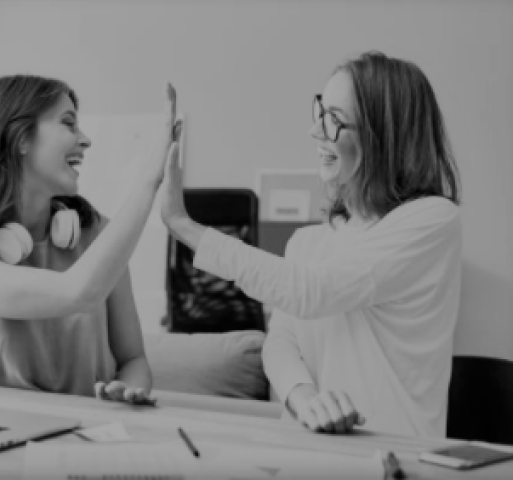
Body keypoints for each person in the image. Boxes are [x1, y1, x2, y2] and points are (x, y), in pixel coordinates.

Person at [160, 51, 461, 437]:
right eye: (320, 112)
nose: (315, 132)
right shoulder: (309, 242)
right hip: (313, 446)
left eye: (334, 120)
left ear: (382, 137)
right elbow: (281, 342)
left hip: (395, 452)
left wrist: (183, 225)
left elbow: (313, 291)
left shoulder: (432, 221)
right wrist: (304, 398)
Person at [0, 75, 180, 405]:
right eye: (68, 123)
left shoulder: (97, 234)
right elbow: (77, 293)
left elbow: (132, 359)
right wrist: (148, 181)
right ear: (21, 138)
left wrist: (127, 393)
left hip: (88, 431)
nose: (85, 140)